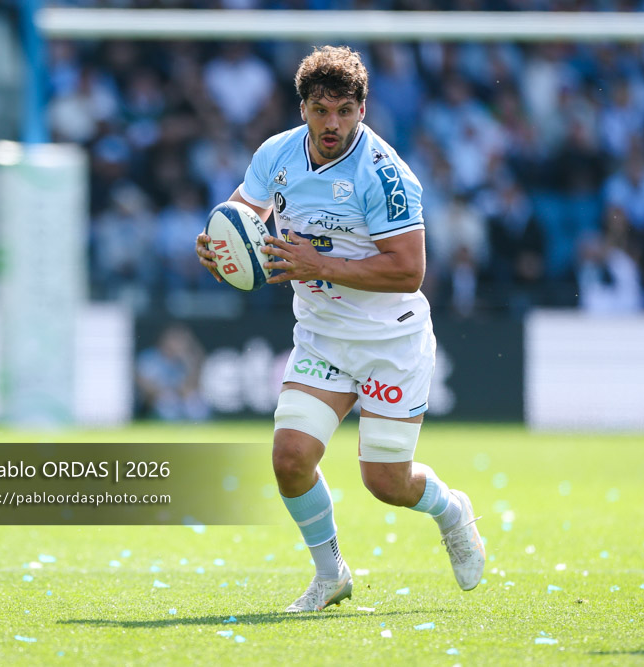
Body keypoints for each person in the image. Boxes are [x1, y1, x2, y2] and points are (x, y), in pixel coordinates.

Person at [196, 45, 485, 613]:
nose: (333, 123)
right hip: (323, 335)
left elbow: (409, 271)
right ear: (302, 107)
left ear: (362, 110)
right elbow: (242, 215)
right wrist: (218, 246)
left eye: (345, 111)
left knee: (386, 482)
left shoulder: (385, 174)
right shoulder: (276, 154)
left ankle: (452, 511)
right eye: (321, 110)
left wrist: (318, 264)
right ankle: (331, 576)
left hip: (390, 341)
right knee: (290, 459)